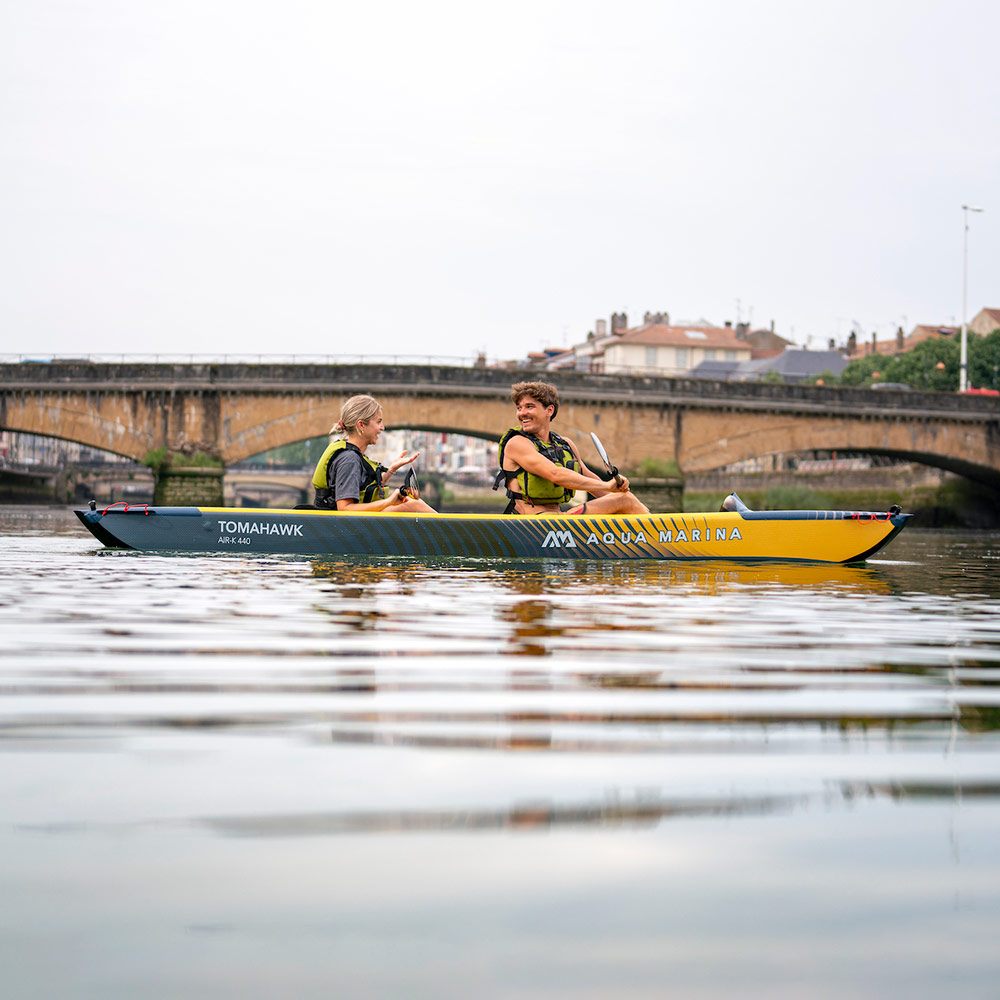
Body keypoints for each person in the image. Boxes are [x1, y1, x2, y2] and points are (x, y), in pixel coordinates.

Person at [495, 381, 649, 516]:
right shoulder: (517, 443)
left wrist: (616, 491)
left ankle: (657, 534)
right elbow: (555, 474)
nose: (522, 413)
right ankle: (663, 537)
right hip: (533, 524)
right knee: (624, 500)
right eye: (519, 408)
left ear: (549, 410)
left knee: (625, 500)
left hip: (560, 518)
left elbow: (588, 479)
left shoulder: (565, 444)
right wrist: (608, 487)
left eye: (529, 407)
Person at [312, 395, 435, 512]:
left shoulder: (353, 455)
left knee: (410, 502)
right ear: (361, 425)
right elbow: (345, 508)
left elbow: (366, 488)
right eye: (378, 422)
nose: (382, 427)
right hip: (345, 526)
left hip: (350, 523)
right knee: (414, 506)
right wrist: (388, 502)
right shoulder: (349, 459)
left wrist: (391, 470)